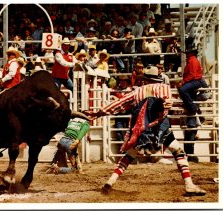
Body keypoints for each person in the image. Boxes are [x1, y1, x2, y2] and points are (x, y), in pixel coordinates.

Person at [83, 67, 206, 196]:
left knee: (130, 155)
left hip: (141, 129)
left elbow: (118, 104)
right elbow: (167, 106)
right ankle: (189, 184)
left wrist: (97, 114)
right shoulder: (165, 88)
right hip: (159, 128)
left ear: (145, 80)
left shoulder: (137, 92)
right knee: (178, 151)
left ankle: (110, 182)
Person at [178, 48, 204, 163]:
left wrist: (183, 82)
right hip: (190, 107)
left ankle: (189, 154)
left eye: (188, 52)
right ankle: (190, 154)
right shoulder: (193, 61)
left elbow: (193, 75)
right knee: (190, 129)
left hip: (190, 109)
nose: (187, 54)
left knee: (190, 128)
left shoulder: (192, 62)